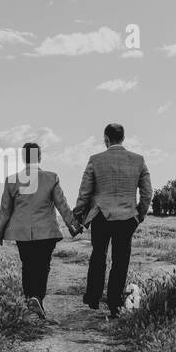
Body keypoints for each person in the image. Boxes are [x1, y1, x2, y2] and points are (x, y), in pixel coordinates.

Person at [0, 142, 80, 320]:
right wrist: (73, 225)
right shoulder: (51, 177)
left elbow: (5, 210)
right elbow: (62, 205)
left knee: (27, 265)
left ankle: (29, 300)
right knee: (43, 266)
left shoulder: (11, 180)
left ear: (24, 158)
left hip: (22, 232)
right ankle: (37, 298)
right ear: (39, 157)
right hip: (46, 231)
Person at [73, 123, 152, 318]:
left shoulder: (95, 160)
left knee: (98, 255)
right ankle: (115, 303)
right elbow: (147, 192)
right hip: (127, 217)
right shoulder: (138, 160)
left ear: (106, 139)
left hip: (101, 215)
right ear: (123, 138)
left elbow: (85, 191)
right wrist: (139, 214)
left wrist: (78, 214)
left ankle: (93, 296)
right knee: (121, 259)